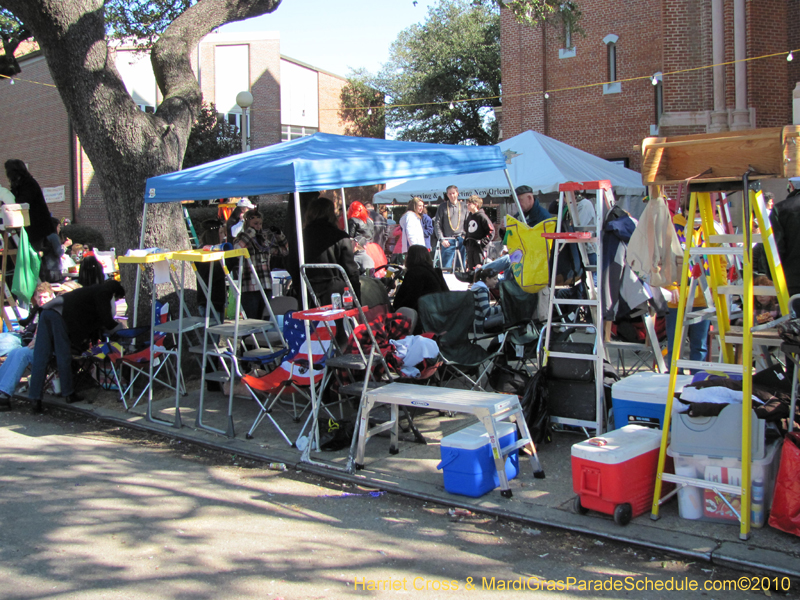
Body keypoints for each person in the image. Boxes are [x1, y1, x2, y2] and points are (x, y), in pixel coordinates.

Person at [28, 280, 125, 412]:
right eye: (117, 298)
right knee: (63, 355)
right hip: (59, 315)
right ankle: (68, 393)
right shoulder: (104, 292)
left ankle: (35, 399)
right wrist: (120, 331)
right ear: (115, 292)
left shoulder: (91, 290)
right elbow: (107, 320)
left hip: (46, 312)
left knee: (41, 355)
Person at [0, 282, 55, 410]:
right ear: (35, 298)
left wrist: (38, 339)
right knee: (14, 351)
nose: (42, 300)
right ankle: (1, 388)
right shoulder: (39, 309)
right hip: (29, 341)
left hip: (47, 348)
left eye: (45, 297)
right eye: (39, 297)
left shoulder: (53, 311)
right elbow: (29, 325)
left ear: (51, 296)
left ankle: (5, 395)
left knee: (21, 353)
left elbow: (54, 334)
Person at [480, 184, 552, 279]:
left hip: (537, 258)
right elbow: (509, 239)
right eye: (516, 201)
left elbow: (541, 242)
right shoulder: (520, 215)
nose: (517, 204)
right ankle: (481, 274)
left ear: (530, 198)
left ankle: (479, 273)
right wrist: (503, 230)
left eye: (520, 200)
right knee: (509, 261)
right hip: (524, 254)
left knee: (509, 260)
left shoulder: (543, 216)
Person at [303, 197, 361, 306]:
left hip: (306, 292)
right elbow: (350, 270)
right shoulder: (340, 236)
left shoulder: (300, 236)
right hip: (334, 295)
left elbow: (291, 263)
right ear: (331, 213)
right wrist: (357, 299)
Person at [233, 209, 289, 320]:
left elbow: (284, 251)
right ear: (248, 223)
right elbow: (237, 250)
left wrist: (279, 235)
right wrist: (249, 233)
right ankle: (249, 338)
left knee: (265, 320)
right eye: (255, 224)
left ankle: (263, 338)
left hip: (266, 285)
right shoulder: (241, 238)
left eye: (260, 224)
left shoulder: (264, 241)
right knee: (252, 320)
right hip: (250, 287)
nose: (258, 226)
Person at [4, 159, 56, 250]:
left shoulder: (29, 184)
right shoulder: (19, 185)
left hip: (38, 228)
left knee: (37, 254)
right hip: (31, 228)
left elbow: (23, 201)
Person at [392, 244, 449, 315]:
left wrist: (395, 310)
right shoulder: (436, 272)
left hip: (423, 314)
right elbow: (446, 293)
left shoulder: (415, 273)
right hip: (439, 311)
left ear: (410, 258)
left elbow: (411, 298)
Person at [434, 185, 467, 269]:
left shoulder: (464, 206)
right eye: (450, 194)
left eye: (453, 193)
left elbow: (468, 223)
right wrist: (442, 239)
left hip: (461, 239)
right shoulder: (442, 206)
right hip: (447, 239)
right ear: (447, 195)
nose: (452, 196)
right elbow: (437, 224)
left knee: (460, 267)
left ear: (457, 194)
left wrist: (465, 236)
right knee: (446, 266)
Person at [463, 195, 495, 274]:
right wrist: (466, 240)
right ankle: (472, 282)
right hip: (470, 246)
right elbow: (468, 230)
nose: (468, 206)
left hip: (479, 247)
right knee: (470, 267)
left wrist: (483, 242)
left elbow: (491, 231)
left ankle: (479, 282)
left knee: (479, 267)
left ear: (476, 204)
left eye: (470, 204)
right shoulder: (469, 216)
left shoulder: (482, 216)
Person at [346, 201, 375, 274]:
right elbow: (371, 234)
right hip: (371, 247)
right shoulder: (370, 220)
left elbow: (350, 236)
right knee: (371, 270)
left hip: (358, 246)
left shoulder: (353, 220)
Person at [472, 268, 504, 334]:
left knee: (503, 314)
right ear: (487, 279)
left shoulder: (479, 287)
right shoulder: (482, 290)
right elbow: (487, 312)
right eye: (495, 279)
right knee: (504, 318)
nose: (497, 281)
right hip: (479, 324)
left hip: (480, 320)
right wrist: (503, 307)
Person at [39, 217, 66, 283]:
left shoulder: (43, 236)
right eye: (58, 227)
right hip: (54, 268)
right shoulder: (54, 236)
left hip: (43, 267)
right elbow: (58, 252)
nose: (59, 229)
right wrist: (65, 246)